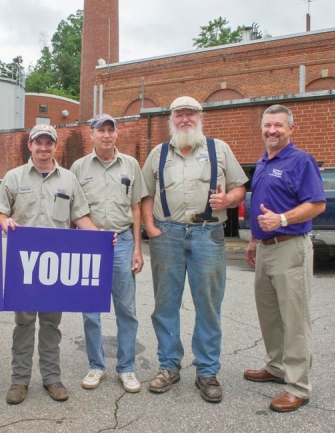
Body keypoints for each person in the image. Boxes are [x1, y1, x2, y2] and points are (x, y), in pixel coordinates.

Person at [141, 96, 247, 403]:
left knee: (208, 306)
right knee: (165, 304)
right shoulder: (159, 153)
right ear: (171, 119)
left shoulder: (219, 149)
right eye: (179, 114)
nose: (185, 119)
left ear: (200, 117)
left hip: (207, 233)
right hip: (167, 234)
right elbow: (145, 193)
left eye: (190, 114)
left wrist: (228, 200)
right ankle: (169, 366)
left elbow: (240, 186)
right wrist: (150, 226)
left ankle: (207, 371)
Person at [0, 124, 100, 405]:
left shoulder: (68, 180)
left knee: (52, 324)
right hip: (24, 265)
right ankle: (19, 381)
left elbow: (80, 217)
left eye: (48, 143)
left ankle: (52, 378)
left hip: (57, 265)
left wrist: (101, 240)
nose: (43, 148)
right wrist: (6, 222)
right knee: (24, 323)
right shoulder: (14, 177)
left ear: (56, 146)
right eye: (38, 142)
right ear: (29, 145)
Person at [244, 104, 325, 412]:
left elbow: (316, 204)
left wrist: (282, 219)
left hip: (290, 247)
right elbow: (262, 206)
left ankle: (299, 386)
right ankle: (276, 367)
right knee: (270, 315)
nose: (272, 130)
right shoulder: (264, 161)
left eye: (278, 125)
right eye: (267, 125)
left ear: (292, 128)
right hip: (265, 249)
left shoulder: (301, 161)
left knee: (294, 318)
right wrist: (254, 239)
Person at [69, 113, 147, 393]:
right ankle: (96, 366)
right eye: (100, 130)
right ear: (91, 134)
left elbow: (136, 207)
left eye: (110, 130)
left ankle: (126, 368)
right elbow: (73, 211)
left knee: (127, 310)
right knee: (90, 311)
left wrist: (138, 248)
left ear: (116, 134)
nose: (105, 135)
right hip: (89, 245)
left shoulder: (131, 165)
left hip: (123, 241)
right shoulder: (78, 168)